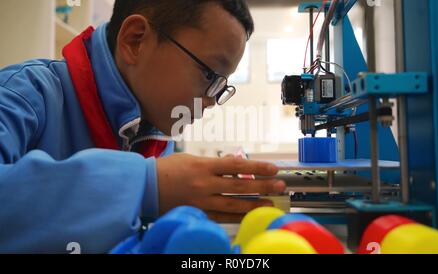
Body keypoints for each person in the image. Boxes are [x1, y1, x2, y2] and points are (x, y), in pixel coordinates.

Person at [0, 0, 286, 253]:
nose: (211, 101)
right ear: (135, 41)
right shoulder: (24, 96)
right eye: (209, 74)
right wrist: (148, 186)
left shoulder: (154, 136)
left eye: (221, 85)